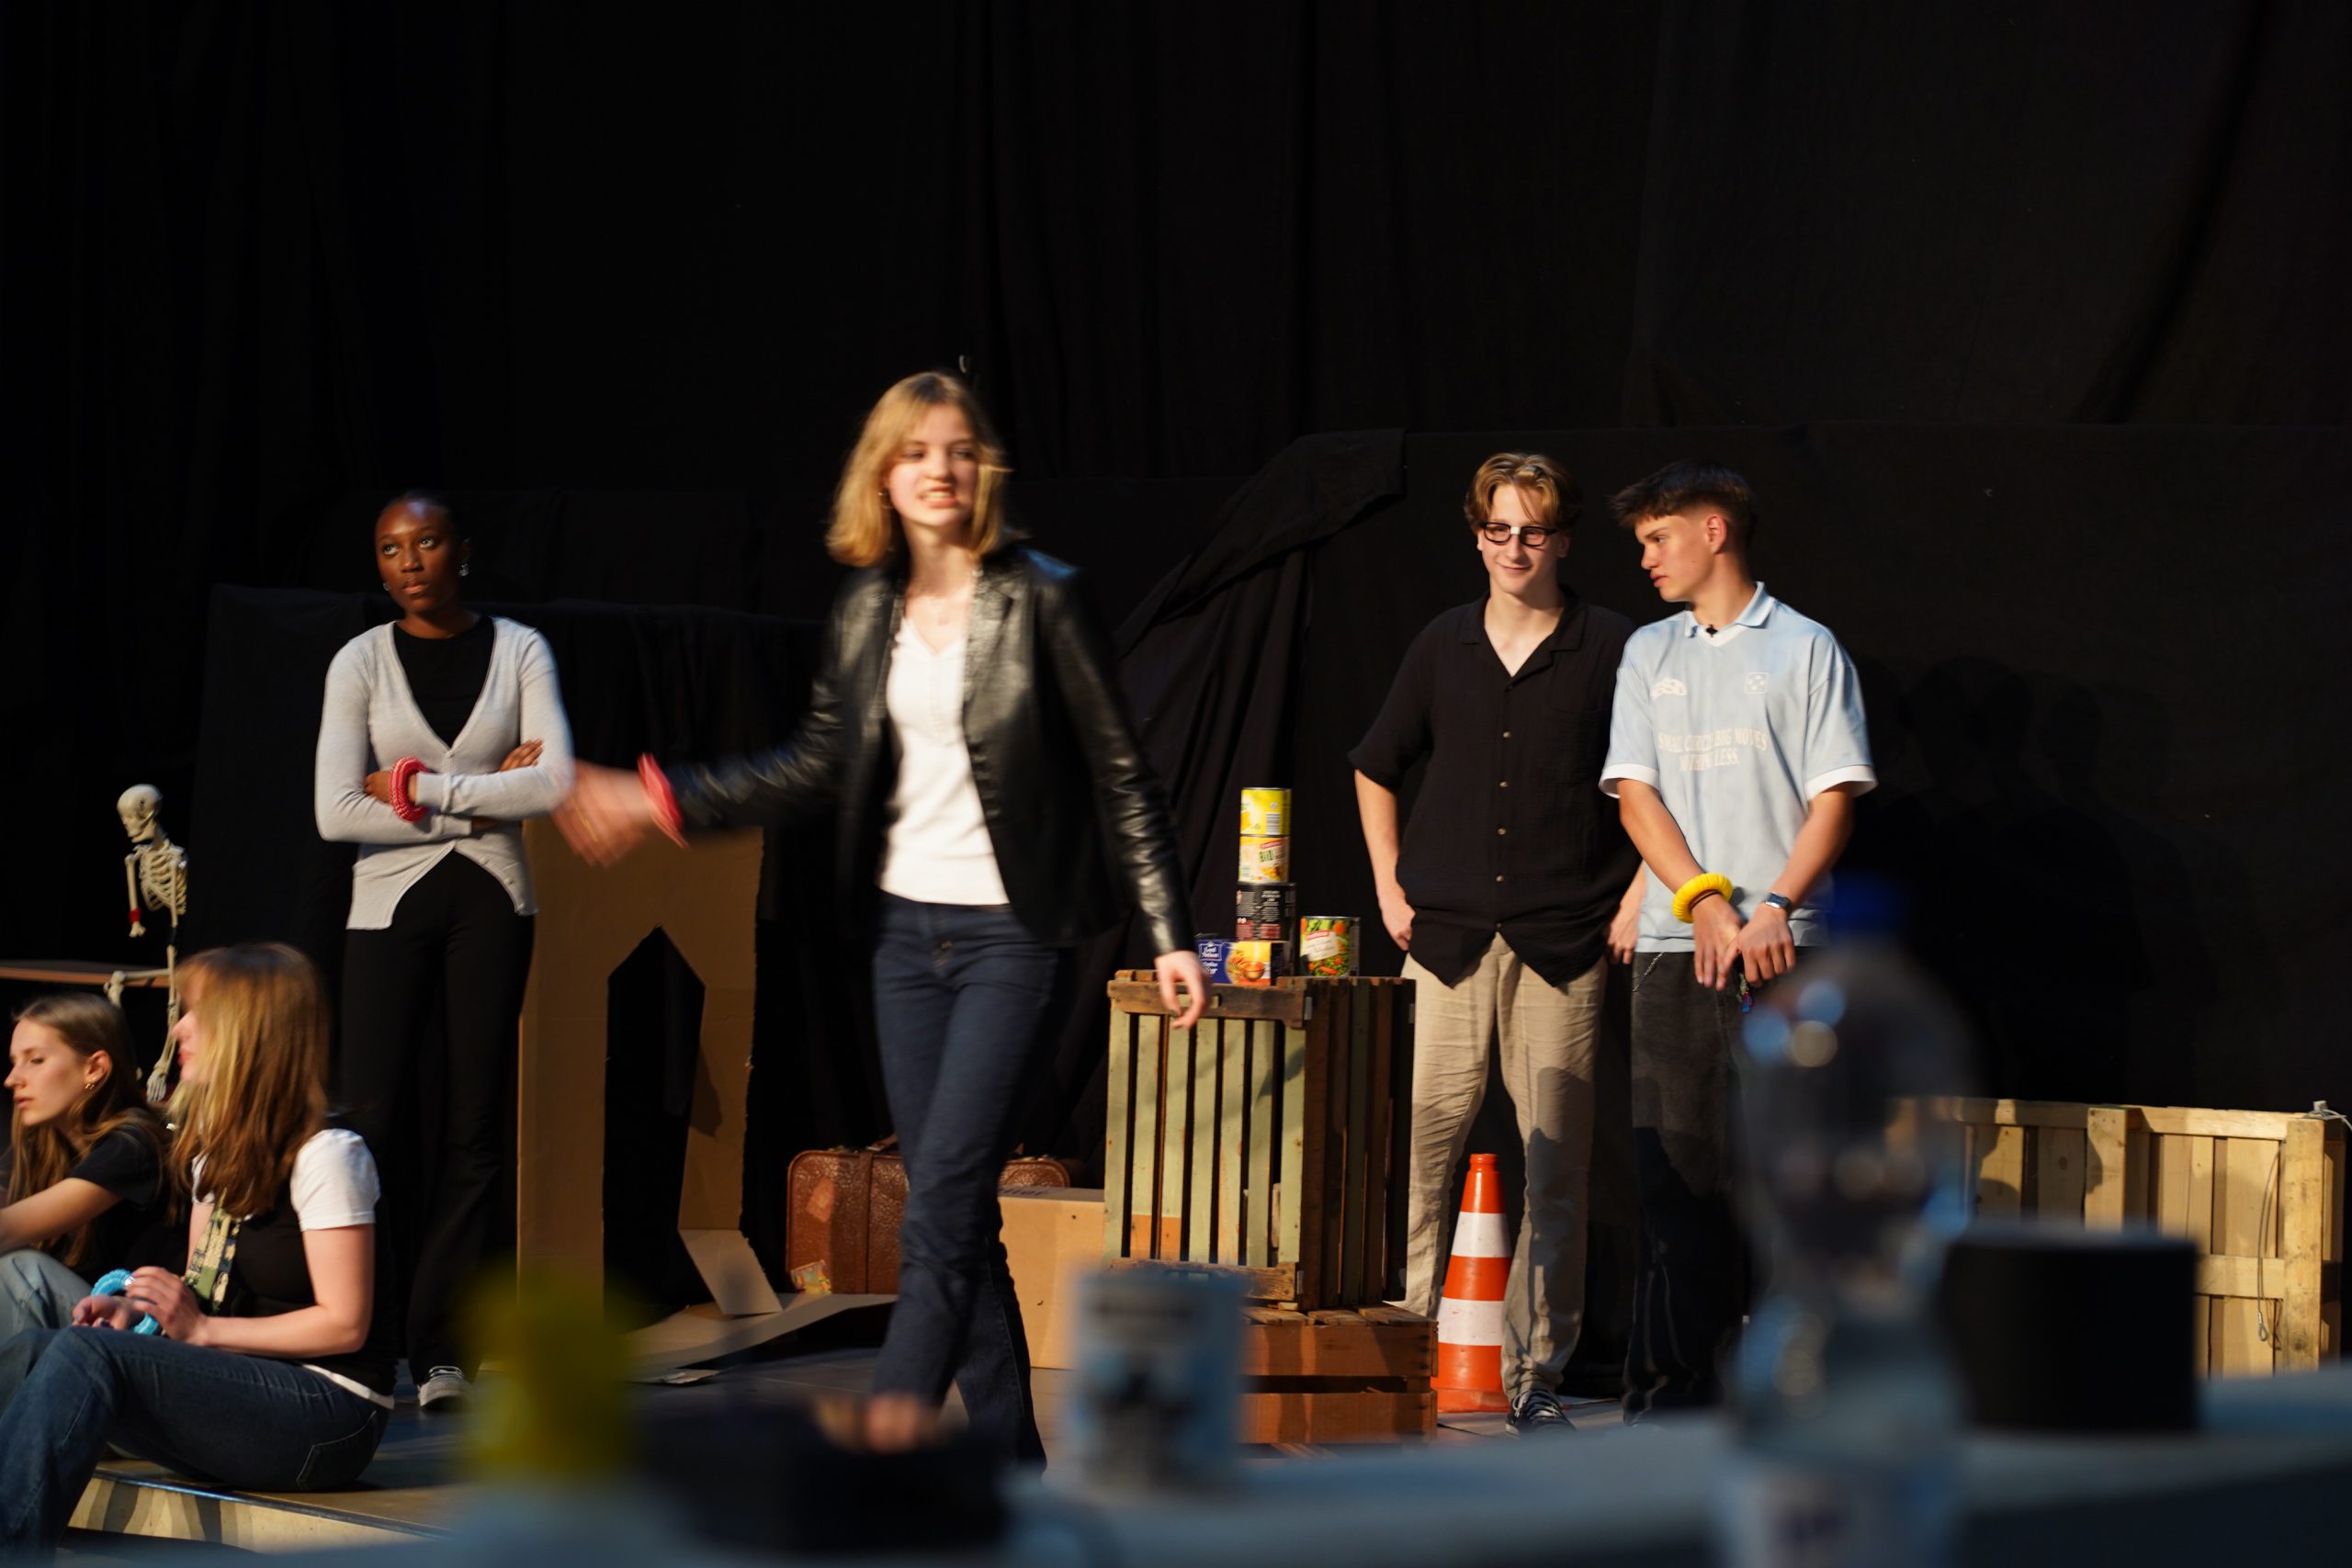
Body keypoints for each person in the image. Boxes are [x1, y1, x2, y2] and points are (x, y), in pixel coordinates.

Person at [558, 370, 1205, 1465]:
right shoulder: (866, 611)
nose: (939, 469)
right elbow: (816, 764)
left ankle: (890, 1426)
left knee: (941, 1197)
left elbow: (1122, 774)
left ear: (984, 470)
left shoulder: (1044, 600)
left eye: (959, 450)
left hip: (1016, 936)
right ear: (883, 476)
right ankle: (1012, 1474)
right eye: (915, 452)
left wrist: (1168, 931)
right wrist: (658, 799)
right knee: (954, 1214)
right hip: (908, 941)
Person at [1350, 453, 1643, 1434]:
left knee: (1554, 1165)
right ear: (1477, 535)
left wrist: (1642, 892)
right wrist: (1388, 883)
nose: (1514, 548)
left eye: (1532, 531)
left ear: (1562, 540)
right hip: (1446, 940)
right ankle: (1399, 1357)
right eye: (1497, 529)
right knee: (1423, 1149)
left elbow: (1656, 785)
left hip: (1564, 940)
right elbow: (1376, 763)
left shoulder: (1611, 646)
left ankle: (1536, 1374)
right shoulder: (1443, 642)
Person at [1599, 460, 1875, 1417]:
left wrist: (1772, 906)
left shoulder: (1804, 647)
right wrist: (1703, 900)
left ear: (1713, 530)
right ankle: (1668, 1409)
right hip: (1681, 949)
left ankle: (1796, 1399)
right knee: (1677, 1184)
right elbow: (1636, 796)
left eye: (1658, 538)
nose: (1645, 559)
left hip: (1785, 951)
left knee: (1792, 1183)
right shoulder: (1649, 653)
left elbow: (1833, 798)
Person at [0, 944, 396, 1551]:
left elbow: (345, 1325)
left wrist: (203, 1330)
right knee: (34, 1351)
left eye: (197, 1013)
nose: (178, 1028)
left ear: (249, 1031)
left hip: (329, 1414)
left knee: (84, 1352)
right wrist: (138, 1311)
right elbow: (202, 1290)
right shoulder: (212, 1154)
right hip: (244, 1386)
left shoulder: (328, 1154)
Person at [313, 492, 574, 1410]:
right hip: (385, 904)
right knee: (370, 1121)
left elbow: (553, 782)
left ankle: (442, 1351)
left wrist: (417, 787)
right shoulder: (360, 661)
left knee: (475, 1124)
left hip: (495, 900)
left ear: (462, 549)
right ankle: (364, 1337)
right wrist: (484, 793)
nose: (410, 561)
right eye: (390, 548)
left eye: (426, 542)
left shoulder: (521, 649)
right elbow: (334, 810)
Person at [0, 995, 172, 1339]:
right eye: (15, 1062)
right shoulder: (46, 1144)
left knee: (20, 1269)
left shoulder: (134, 1145)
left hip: (140, 1331)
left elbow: (6, 1230)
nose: (12, 1079)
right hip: (86, 1324)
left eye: (35, 1060)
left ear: (94, 1068)